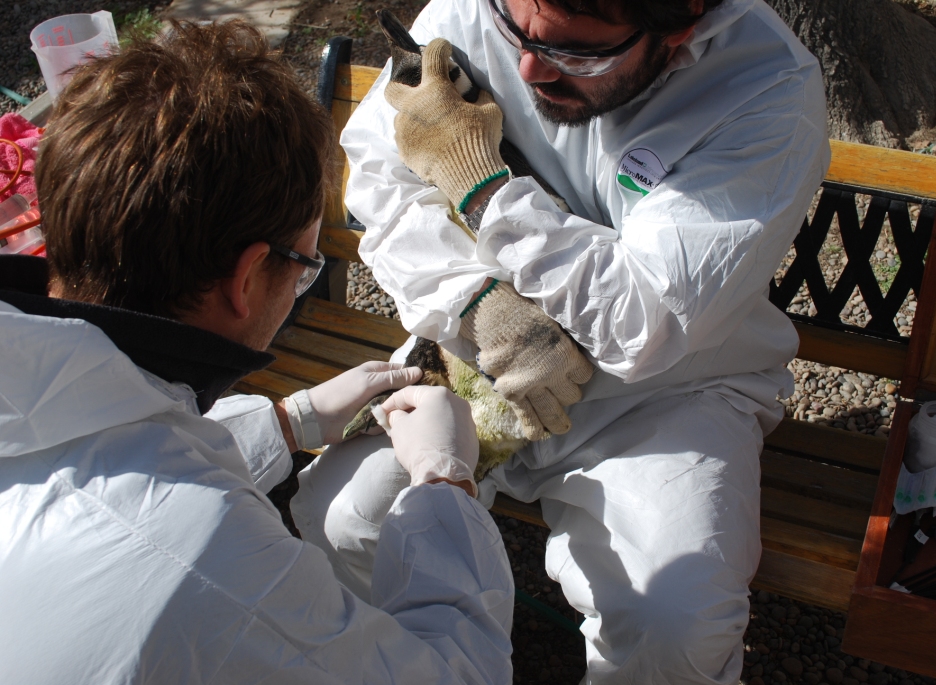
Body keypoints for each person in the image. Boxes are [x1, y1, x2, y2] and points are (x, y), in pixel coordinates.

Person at [294, 0, 831, 682]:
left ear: (680, 30)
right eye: (512, 33)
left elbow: (643, 320)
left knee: (674, 626)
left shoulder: (767, 88)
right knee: (344, 515)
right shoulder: (483, 9)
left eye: (577, 54)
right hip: (476, 352)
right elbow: (380, 171)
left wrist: (482, 188)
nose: (526, 67)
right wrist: (476, 300)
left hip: (663, 395)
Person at [0, 21, 514, 684]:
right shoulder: (218, 565)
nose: (303, 278)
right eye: (304, 263)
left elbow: (105, 459)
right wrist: (445, 484)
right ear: (246, 279)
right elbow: (458, 674)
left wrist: (285, 420)